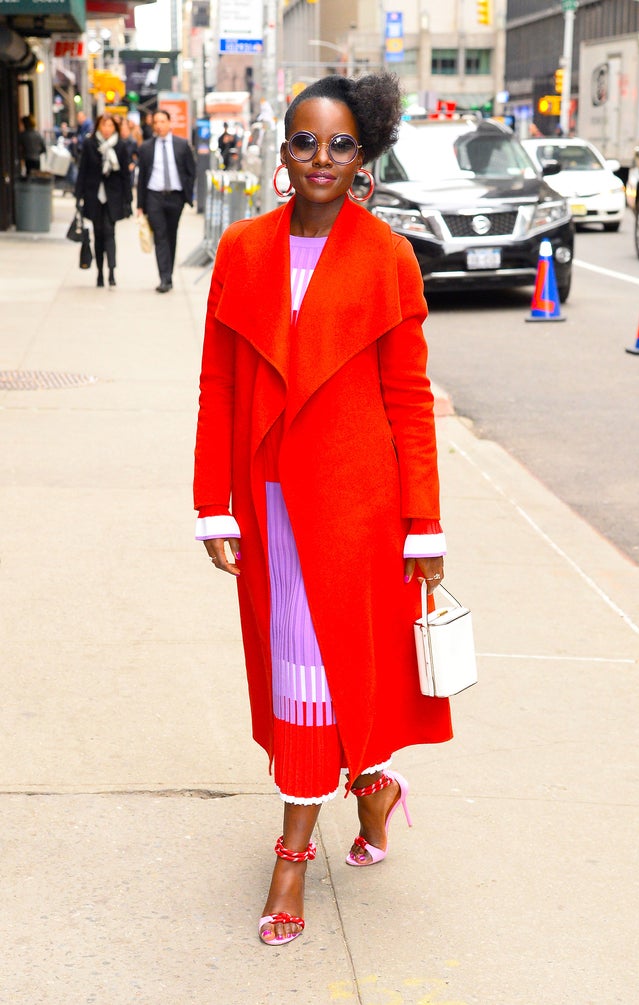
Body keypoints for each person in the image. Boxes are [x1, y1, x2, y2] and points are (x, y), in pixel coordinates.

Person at [193, 73, 452, 947]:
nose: (322, 159)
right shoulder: (241, 249)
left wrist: (425, 522)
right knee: (304, 673)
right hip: (268, 500)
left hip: (355, 505)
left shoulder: (388, 257)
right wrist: (211, 503)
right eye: (306, 141)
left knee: (328, 671)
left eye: (341, 144)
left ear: (364, 155)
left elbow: (411, 401)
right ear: (282, 153)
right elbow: (219, 384)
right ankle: (373, 789)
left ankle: (292, 858)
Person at [136, 109, 196, 293]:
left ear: (170, 123)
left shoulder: (181, 145)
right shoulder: (146, 148)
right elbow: (142, 177)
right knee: (160, 236)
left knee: (171, 236)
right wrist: (140, 205)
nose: (159, 125)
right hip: (154, 196)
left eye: (163, 121)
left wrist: (187, 194)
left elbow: (190, 170)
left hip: (175, 197)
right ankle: (164, 278)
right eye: (156, 122)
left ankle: (168, 274)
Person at [75, 113, 132, 287]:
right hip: (94, 197)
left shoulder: (120, 146)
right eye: (103, 126)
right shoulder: (89, 144)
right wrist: (78, 196)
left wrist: (128, 200)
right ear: (98, 127)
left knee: (109, 233)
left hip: (113, 197)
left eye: (110, 126)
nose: (107, 130)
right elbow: (83, 171)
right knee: (98, 235)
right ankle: (100, 273)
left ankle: (112, 272)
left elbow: (125, 176)